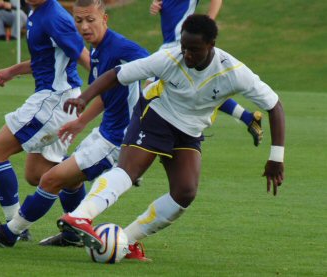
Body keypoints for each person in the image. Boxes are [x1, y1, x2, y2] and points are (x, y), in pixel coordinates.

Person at [57, 14, 285, 261]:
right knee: (129, 171)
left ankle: (126, 241)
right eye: (184, 47)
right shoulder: (169, 59)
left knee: (185, 193)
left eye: (194, 50)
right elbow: (117, 74)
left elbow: (275, 106)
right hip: (155, 115)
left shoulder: (234, 72)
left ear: (211, 45)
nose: (186, 55)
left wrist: (276, 157)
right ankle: (81, 215)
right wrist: (84, 97)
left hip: (189, 132)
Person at [0, 0, 149, 248]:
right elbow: (106, 91)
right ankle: (74, 232)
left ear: (104, 19)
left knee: (40, 175)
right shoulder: (98, 49)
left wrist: (149, 125)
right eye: (79, 21)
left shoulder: (117, 46)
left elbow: (158, 69)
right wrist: (80, 121)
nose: (84, 27)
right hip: (100, 130)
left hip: (95, 126)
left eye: (90, 20)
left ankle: (10, 232)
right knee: (45, 176)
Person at [0, 0, 90, 242]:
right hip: (61, 100)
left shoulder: (54, 16)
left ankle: (14, 227)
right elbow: (46, 59)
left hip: (54, 100)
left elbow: (84, 56)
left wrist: (106, 89)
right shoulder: (38, 12)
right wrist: (13, 70)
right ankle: (76, 228)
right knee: (38, 175)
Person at [149, 0, 263, 147]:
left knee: (151, 88)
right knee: (199, 89)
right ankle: (248, 118)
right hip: (171, 44)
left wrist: (207, 25)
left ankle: (140, 139)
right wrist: (157, 5)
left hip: (183, 45)